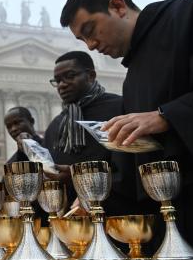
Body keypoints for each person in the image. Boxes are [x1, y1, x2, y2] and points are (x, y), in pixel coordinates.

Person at [60, 0, 193, 258]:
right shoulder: (131, 81)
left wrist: (166, 116)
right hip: (176, 224)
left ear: (118, 6)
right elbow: (132, 170)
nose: (92, 45)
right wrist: (95, 196)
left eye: (90, 29)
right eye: (83, 39)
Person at [43, 51, 148, 217]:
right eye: (57, 81)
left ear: (91, 75)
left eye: (69, 76)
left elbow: (131, 169)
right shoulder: (55, 126)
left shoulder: (121, 108)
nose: (62, 84)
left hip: (117, 214)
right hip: (70, 219)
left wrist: (79, 178)